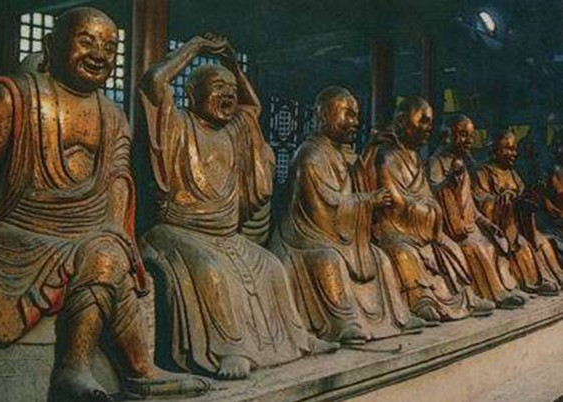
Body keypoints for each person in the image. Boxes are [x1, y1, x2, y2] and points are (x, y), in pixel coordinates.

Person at [0, 8, 207, 402]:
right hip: (22, 229)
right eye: (86, 41)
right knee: (102, 256)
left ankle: (102, 368)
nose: (99, 54)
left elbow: (119, 179)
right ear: (52, 46)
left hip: (89, 230)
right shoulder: (13, 96)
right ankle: (90, 370)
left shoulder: (113, 115)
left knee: (108, 254)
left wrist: (117, 233)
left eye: (110, 47)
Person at [138, 34, 338, 381]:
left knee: (272, 267)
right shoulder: (178, 124)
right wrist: (195, 47)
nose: (229, 94)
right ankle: (228, 349)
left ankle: (296, 339)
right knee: (211, 270)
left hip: (225, 235)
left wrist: (232, 64)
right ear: (192, 94)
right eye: (218, 87)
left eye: (231, 89)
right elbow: (154, 82)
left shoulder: (236, 131)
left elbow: (253, 107)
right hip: (177, 231)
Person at [274, 86, 424, 345]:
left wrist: (370, 149)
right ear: (324, 115)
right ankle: (343, 322)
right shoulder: (311, 155)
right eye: (349, 115)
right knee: (329, 259)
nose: (355, 122)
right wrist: (369, 200)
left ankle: (398, 316)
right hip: (309, 236)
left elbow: (352, 180)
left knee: (378, 256)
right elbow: (326, 206)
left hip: (337, 234)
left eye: (356, 116)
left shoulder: (337, 151)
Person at [363, 96, 495, 323]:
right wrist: (428, 212)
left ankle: (466, 297)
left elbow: (427, 195)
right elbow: (395, 201)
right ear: (402, 121)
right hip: (395, 229)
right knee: (403, 253)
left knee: (451, 247)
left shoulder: (415, 157)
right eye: (423, 120)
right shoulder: (385, 155)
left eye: (430, 122)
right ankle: (421, 300)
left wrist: (431, 209)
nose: (428, 128)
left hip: (421, 226)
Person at [428, 115, 525, 309]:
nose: (469, 140)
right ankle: (493, 295)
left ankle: (504, 288)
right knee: (476, 247)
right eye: (463, 134)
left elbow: (470, 205)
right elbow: (433, 195)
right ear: (446, 136)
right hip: (450, 227)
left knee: (493, 243)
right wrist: (450, 180)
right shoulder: (435, 162)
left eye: (471, 136)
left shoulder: (461, 164)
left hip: (470, 225)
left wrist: (487, 223)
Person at [473, 130, 563, 295]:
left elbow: (522, 195)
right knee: (522, 246)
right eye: (507, 149)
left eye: (514, 149)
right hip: (501, 227)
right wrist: (503, 202)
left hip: (521, 224)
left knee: (543, 243)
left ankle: (555, 277)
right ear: (494, 150)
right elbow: (481, 201)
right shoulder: (482, 172)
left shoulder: (513, 173)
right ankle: (535, 282)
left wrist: (525, 201)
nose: (513, 153)